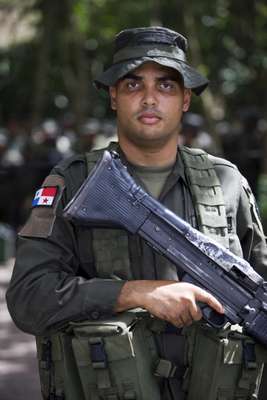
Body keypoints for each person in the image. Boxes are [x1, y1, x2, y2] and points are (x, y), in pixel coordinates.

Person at [6, 27, 267, 400]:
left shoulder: (225, 182)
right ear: (113, 96)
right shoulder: (74, 182)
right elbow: (29, 299)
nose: (149, 99)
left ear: (185, 99)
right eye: (132, 85)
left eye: (165, 86)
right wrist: (137, 293)